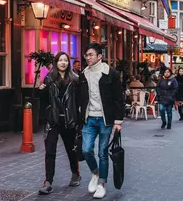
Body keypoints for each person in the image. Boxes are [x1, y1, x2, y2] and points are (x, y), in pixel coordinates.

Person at [78, 43, 124, 199]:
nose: (88, 57)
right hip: (89, 118)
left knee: (103, 152)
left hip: (105, 119)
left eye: (91, 54)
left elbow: (119, 98)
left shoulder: (111, 74)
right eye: (86, 55)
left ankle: (101, 185)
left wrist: (118, 121)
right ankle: (96, 173)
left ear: (99, 56)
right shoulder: (83, 74)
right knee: (86, 150)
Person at [38, 52, 81, 195]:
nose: (63, 63)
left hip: (69, 120)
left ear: (69, 63)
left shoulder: (75, 79)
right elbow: (44, 100)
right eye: (60, 60)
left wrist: (79, 120)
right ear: (56, 62)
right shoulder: (49, 78)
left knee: (71, 149)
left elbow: (79, 101)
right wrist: (41, 91)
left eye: (65, 60)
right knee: (50, 150)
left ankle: (75, 174)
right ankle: (48, 182)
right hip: (53, 120)